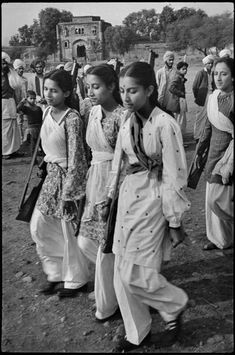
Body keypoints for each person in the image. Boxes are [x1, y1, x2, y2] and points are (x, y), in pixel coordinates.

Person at [103, 61, 191, 352]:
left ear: (150, 89)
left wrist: (174, 219)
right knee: (121, 272)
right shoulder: (127, 121)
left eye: (134, 91)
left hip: (154, 199)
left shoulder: (166, 124)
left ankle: (174, 304)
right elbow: (118, 160)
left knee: (137, 271)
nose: (126, 97)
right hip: (128, 196)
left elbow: (175, 175)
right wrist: (110, 196)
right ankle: (136, 333)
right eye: (124, 91)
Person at [30, 69, 90, 298]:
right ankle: (55, 273)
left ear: (66, 92)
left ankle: (76, 280)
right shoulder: (46, 112)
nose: (48, 94)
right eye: (46, 89)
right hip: (50, 177)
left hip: (67, 178)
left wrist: (71, 192)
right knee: (40, 225)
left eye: (54, 90)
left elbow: (77, 157)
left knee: (68, 229)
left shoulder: (72, 118)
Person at [77, 64, 125, 322]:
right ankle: (112, 285)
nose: (91, 92)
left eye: (96, 87)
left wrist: (113, 191)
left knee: (107, 246)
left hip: (115, 179)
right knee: (86, 242)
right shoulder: (91, 111)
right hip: (95, 176)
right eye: (88, 87)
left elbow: (124, 158)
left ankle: (108, 303)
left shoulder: (122, 116)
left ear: (111, 86)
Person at [198, 57, 234, 251]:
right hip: (213, 149)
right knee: (211, 195)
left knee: (221, 198)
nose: (219, 78)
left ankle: (226, 236)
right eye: (216, 73)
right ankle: (218, 238)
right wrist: (200, 149)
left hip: (229, 152)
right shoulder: (213, 97)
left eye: (224, 73)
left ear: (233, 76)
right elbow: (208, 126)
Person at [2, 52, 22, 159]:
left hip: (10, 102)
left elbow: (17, 85)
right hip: (3, 104)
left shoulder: (10, 75)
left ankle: (13, 149)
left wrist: (11, 71)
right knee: (5, 128)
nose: (4, 66)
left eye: (5, 64)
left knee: (13, 127)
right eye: (2, 64)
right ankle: (5, 152)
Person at [192, 54, 215, 143]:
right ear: (205, 64)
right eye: (208, 63)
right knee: (200, 117)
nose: (210, 65)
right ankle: (197, 135)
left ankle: (205, 135)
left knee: (209, 116)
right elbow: (195, 86)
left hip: (211, 95)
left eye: (211, 63)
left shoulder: (212, 73)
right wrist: (198, 97)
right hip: (203, 97)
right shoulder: (201, 73)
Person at [16, 90, 43, 159]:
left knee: (43, 145)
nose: (33, 100)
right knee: (33, 146)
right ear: (27, 99)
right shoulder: (26, 108)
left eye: (34, 98)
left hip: (40, 128)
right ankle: (34, 161)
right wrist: (22, 101)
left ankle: (45, 160)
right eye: (31, 98)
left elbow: (42, 118)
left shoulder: (38, 108)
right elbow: (18, 109)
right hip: (32, 129)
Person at [168, 61, 189, 140]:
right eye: (183, 69)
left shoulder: (180, 77)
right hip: (178, 102)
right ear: (179, 69)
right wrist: (181, 93)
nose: (185, 71)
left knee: (180, 122)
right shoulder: (177, 77)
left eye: (186, 69)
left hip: (179, 101)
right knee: (180, 122)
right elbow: (171, 88)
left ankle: (178, 140)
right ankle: (179, 141)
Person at [155, 51, 176, 117]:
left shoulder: (176, 72)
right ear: (165, 60)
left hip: (171, 101)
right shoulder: (160, 72)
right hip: (161, 100)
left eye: (172, 60)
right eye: (170, 60)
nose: (171, 62)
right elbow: (156, 86)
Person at [13, 59, 28, 142]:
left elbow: (26, 91)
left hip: (24, 102)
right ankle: (19, 139)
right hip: (16, 102)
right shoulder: (13, 79)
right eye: (19, 68)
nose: (21, 70)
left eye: (22, 68)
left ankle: (24, 138)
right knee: (18, 121)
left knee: (24, 121)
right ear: (15, 70)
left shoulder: (25, 80)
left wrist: (24, 101)